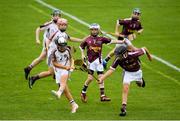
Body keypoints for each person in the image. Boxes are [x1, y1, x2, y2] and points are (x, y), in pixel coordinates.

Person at [28, 18, 83, 89]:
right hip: (53, 55)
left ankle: (60, 87)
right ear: (58, 25)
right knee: (53, 71)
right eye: (62, 25)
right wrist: (47, 47)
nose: (63, 26)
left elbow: (69, 38)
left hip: (59, 54)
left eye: (65, 25)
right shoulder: (56, 33)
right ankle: (34, 78)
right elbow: (48, 39)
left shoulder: (64, 33)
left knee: (54, 71)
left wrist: (81, 40)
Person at [98, 46, 152, 116]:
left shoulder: (133, 54)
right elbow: (111, 70)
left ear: (125, 53)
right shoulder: (117, 59)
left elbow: (144, 48)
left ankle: (141, 80)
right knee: (125, 89)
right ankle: (124, 108)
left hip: (137, 72)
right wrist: (102, 78)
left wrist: (149, 56)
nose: (117, 56)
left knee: (140, 84)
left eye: (119, 55)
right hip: (128, 73)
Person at [79, 23, 126, 103]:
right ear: (90, 30)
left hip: (99, 61)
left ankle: (102, 96)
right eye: (92, 29)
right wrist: (82, 54)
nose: (94, 31)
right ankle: (83, 92)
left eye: (95, 29)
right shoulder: (87, 39)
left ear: (98, 30)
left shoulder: (101, 39)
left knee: (101, 77)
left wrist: (122, 41)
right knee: (90, 78)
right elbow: (81, 47)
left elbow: (112, 41)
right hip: (90, 62)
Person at [24, 9, 61, 80]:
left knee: (42, 58)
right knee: (54, 57)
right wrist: (37, 39)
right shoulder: (49, 24)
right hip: (48, 45)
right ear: (52, 16)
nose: (57, 17)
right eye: (55, 15)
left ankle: (28, 68)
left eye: (58, 16)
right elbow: (38, 29)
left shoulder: (59, 24)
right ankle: (54, 74)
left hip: (53, 45)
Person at [50, 37, 78, 113]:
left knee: (63, 82)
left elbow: (72, 59)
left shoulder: (67, 50)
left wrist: (72, 65)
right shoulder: (54, 52)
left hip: (66, 70)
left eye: (64, 45)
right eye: (61, 46)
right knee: (66, 90)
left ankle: (59, 92)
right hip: (58, 70)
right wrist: (65, 67)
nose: (63, 47)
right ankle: (74, 104)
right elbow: (54, 63)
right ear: (58, 45)